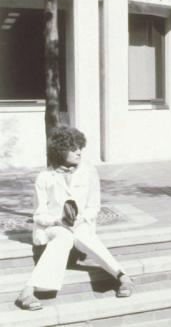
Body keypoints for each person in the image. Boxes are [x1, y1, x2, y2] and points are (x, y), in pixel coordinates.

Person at [15, 126, 135, 311]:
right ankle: (28, 290)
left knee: (81, 235)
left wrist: (81, 220)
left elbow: (93, 206)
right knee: (64, 236)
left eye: (80, 147)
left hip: (80, 225)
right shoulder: (45, 177)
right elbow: (39, 214)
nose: (79, 151)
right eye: (73, 148)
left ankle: (122, 276)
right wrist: (56, 222)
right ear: (60, 151)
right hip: (52, 227)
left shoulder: (89, 172)